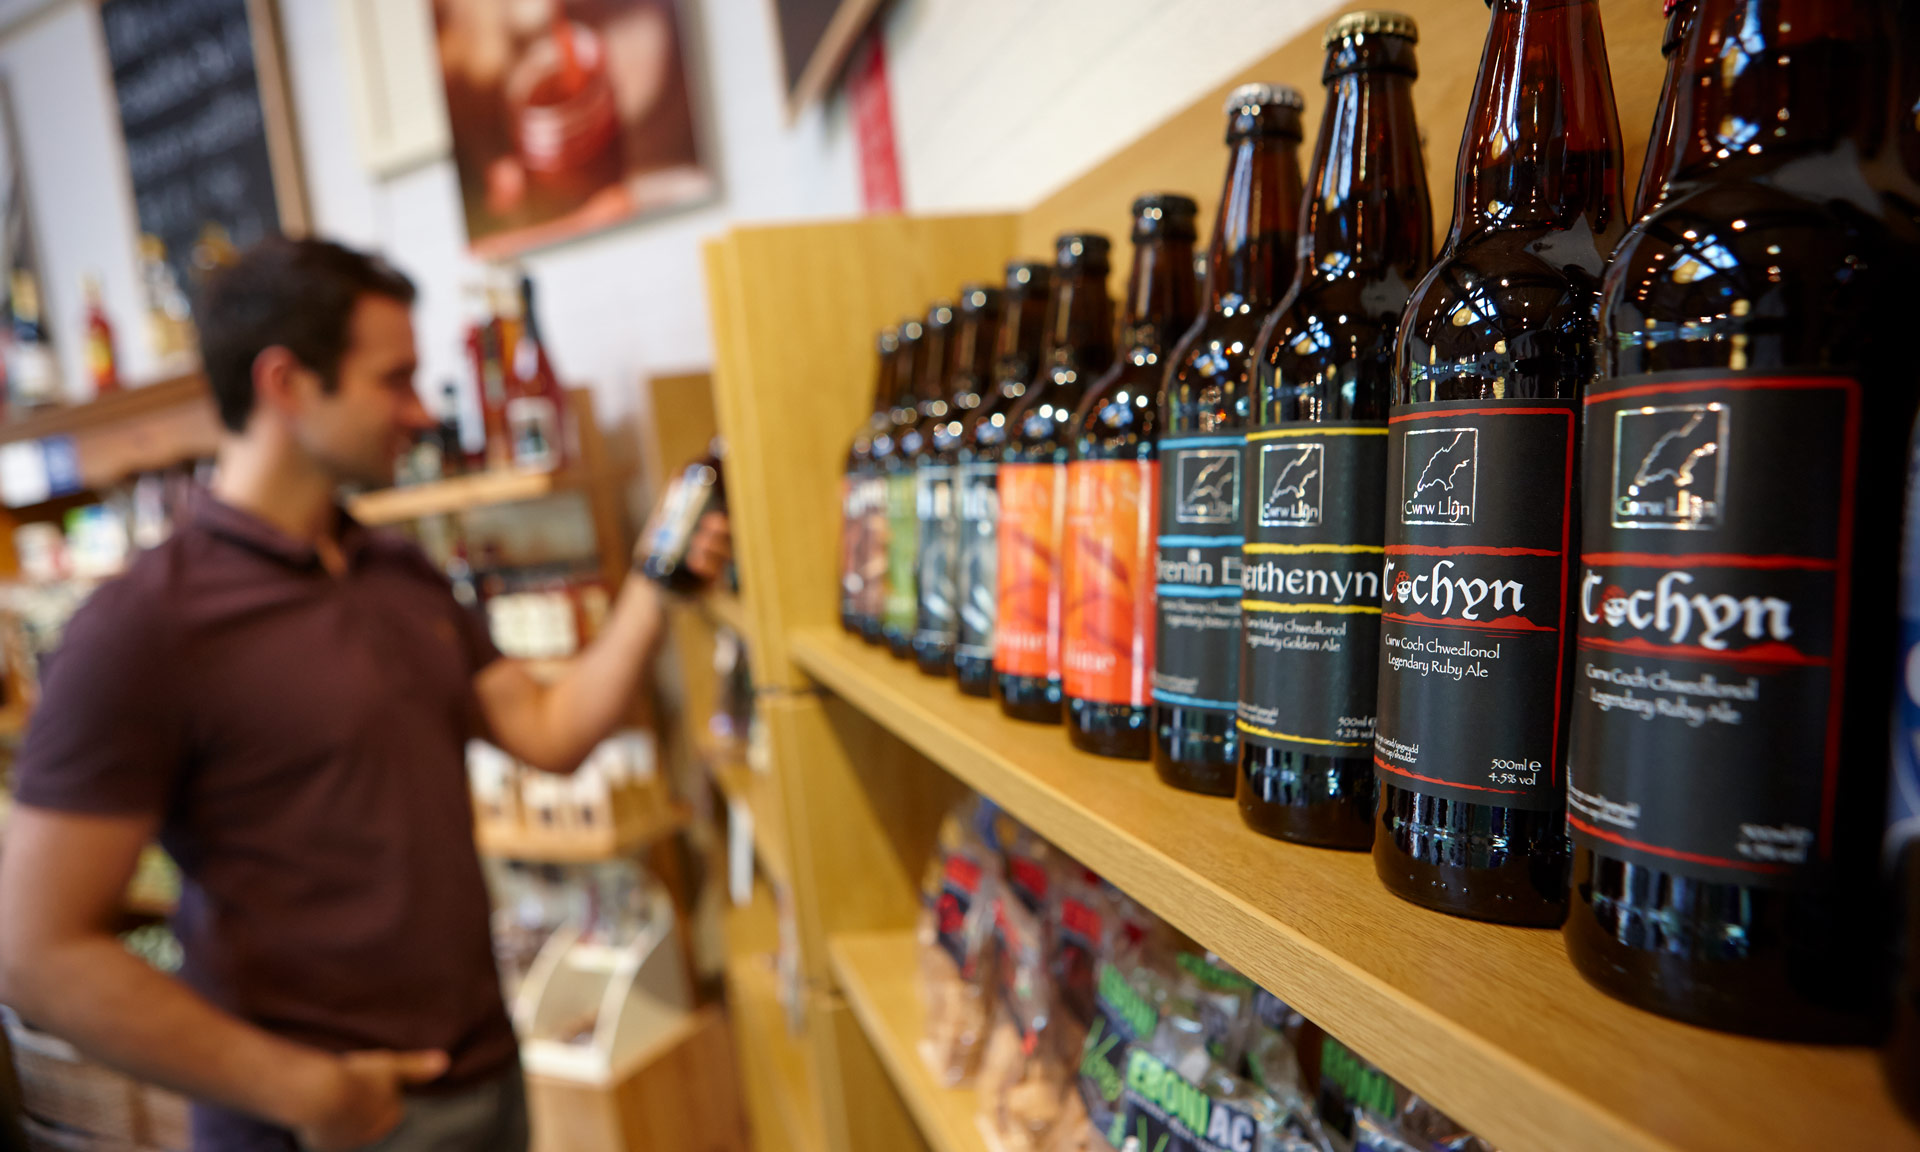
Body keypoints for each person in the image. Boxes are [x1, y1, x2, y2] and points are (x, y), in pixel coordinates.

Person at [0, 238, 729, 1151]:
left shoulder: (399, 570)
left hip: (487, 1080)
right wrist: (306, 1091)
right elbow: (35, 953)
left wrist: (656, 581)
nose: (420, 412)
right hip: (318, 1128)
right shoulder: (143, 627)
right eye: (395, 380)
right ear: (287, 384)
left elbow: (548, 733)